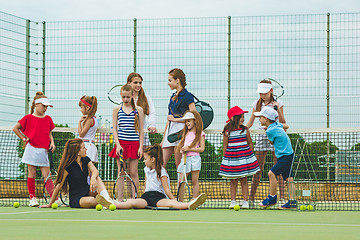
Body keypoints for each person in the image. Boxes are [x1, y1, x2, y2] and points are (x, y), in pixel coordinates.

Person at [97, 144, 207, 210]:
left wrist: (174, 200)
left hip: (159, 198)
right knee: (130, 202)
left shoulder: (162, 172)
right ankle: (111, 203)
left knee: (172, 204)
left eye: (145, 159)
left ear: (152, 159)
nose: (144, 161)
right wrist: (141, 196)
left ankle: (190, 204)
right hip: (146, 197)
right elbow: (146, 186)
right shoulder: (146, 170)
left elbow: (167, 190)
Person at [39, 138, 115, 208]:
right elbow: (59, 185)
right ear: (78, 152)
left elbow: (95, 170)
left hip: (87, 191)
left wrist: (93, 178)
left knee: (96, 177)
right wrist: (50, 204)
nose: (86, 149)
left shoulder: (85, 159)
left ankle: (107, 199)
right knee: (91, 201)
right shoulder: (68, 166)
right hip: (77, 198)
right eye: (84, 148)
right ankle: (108, 203)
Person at [246, 79, 287, 207]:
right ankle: (250, 199)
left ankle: (282, 199)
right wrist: (241, 130)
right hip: (261, 137)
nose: (262, 95)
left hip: (275, 135)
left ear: (271, 91)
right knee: (257, 169)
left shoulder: (278, 103)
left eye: (264, 93)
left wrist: (277, 110)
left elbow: (283, 123)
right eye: (260, 93)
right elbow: (251, 122)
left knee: (278, 168)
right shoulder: (256, 104)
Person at [13, 92, 56, 207]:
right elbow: (15, 128)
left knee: (47, 175)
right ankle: (32, 198)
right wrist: (23, 138)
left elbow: (49, 133)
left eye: (47, 106)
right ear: (36, 105)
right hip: (31, 149)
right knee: (31, 173)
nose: (45, 108)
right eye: (44, 106)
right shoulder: (28, 118)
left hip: (44, 151)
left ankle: (54, 198)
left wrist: (52, 142)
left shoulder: (48, 119)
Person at [254, 107, 296, 209]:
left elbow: (271, 142)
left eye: (261, 117)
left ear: (266, 119)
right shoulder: (277, 125)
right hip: (289, 155)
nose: (259, 119)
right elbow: (286, 125)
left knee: (271, 173)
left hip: (284, 156)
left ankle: (272, 198)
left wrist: (267, 130)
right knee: (289, 178)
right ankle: (293, 202)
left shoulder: (271, 130)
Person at [219, 106, 260, 209]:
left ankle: (245, 201)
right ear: (234, 118)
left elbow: (250, 143)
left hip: (244, 159)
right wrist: (226, 159)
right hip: (232, 159)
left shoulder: (245, 130)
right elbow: (225, 146)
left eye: (243, 116)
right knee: (233, 181)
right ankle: (233, 201)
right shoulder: (227, 131)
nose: (243, 118)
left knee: (244, 179)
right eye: (240, 116)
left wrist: (249, 155)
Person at [108, 84, 144, 199]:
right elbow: (114, 128)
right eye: (123, 97)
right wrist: (118, 145)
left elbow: (141, 130)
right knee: (121, 172)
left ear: (132, 95)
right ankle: (119, 199)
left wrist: (141, 147)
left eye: (128, 97)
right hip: (122, 144)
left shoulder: (139, 110)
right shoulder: (117, 109)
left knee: (133, 172)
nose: (125, 99)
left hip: (134, 144)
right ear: (121, 96)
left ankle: (134, 199)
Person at [161, 68, 196, 169]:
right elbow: (169, 119)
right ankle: (163, 185)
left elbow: (193, 116)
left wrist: (176, 119)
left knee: (179, 164)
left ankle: (180, 185)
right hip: (170, 132)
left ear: (177, 80)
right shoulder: (172, 97)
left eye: (170, 80)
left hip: (181, 132)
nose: (168, 83)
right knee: (161, 164)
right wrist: (163, 139)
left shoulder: (187, 96)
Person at [176, 111, 205, 200]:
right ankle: (179, 201)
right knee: (181, 181)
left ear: (195, 121)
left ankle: (194, 200)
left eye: (189, 121)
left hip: (195, 159)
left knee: (194, 180)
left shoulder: (200, 133)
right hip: (185, 159)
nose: (187, 123)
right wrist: (182, 150)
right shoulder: (186, 133)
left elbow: (202, 149)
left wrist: (189, 148)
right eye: (186, 121)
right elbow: (184, 146)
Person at [127, 72, 157, 150]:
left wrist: (152, 125)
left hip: (143, 134)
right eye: (135, 82)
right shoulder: (125, 99)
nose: (138, 85)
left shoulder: (146, 98)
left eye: (140, 83)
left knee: (149, 157)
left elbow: (152, 113)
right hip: (128, 135)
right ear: (129, 83)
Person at [78, 95, 99, 164]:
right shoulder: (94, 119)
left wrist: (79, 122)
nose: (80, 110)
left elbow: (81, 134)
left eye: (81, 107)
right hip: (91, 145)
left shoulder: (89, 120)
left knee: (86, 170)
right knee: (89, 169)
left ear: (87, 108)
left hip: (87, 146)